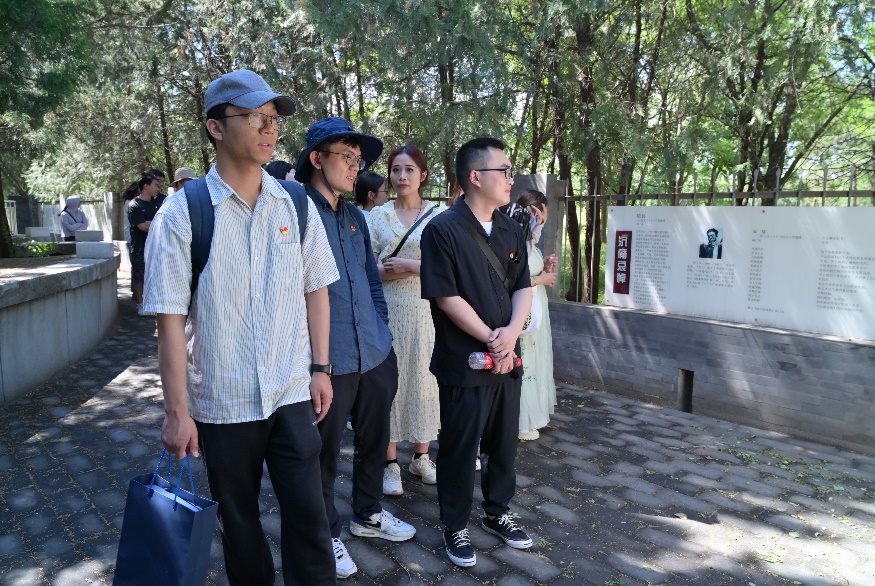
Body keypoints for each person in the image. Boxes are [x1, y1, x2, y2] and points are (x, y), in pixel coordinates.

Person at [142, 69, 338, 585]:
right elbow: (169, 321)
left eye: (273, 119)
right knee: (239, 523)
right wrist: (177, 413)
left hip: (291, 391)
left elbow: (316, 288)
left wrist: (321, 368)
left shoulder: (296, 203)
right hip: (223, 401)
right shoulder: (182, 214)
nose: (269, 128)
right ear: (215, 127)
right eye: (254, 117)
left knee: (311, 519)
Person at [296, 117, 416, 579]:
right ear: (316, 158)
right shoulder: (296, 212)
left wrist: (382, 331)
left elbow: (370, 278)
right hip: (329, 359)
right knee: (323, 451)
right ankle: (324, 532)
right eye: (346, 157)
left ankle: (367, 513)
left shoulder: (353, 218)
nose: (355, 167)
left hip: (374, 351)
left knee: (374, 440)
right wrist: (314, 362)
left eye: (358, 159)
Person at [420, 136, 534, 568]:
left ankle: (497, 511)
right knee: (460, 446)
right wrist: (492, 337)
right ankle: (455, 524)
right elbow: (446, 296)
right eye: (503, 171)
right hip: (465, 360)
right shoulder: (442, 230)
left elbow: (522, 286)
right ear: (475, 176)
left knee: (504, 442)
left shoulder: (510, 228)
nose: (510, 179)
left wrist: (511, 334)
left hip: (507, 358)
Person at [368, 145, 445, 496]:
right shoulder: (378, 216)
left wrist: (412, 267)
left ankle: (421, 457)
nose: (402, 176)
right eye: (396, 169)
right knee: (391, 385)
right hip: (388, 311)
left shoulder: (439, 216)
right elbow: (366, 268)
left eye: (410, 169)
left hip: (428, 311)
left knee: (425, 381)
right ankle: (390, 464)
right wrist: (388, 272)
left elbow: (452, 266)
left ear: (423, 175)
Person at [512, 189, 558, 441]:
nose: (543, 220)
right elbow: (511, 278)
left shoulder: (529, 240)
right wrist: (542, 279)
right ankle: (520, 420)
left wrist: (545, 267)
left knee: (534, 361)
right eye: (542, 215)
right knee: (525, 361)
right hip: (524, 308)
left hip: (535, 305)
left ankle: (531, 417)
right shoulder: (516, 241)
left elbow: (530, 271)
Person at [127, 172, 161, 314]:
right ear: (146, 186)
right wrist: (158, 223)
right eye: (156, 185)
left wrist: (151, 223)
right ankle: (140, 304)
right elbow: (142, 226)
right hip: (140, 247)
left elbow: (162, 221)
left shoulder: (157, 203)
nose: (159, 188)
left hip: (156, 247)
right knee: (139, 277)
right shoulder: (134, 204)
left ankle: (151, 303)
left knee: (154, 276)